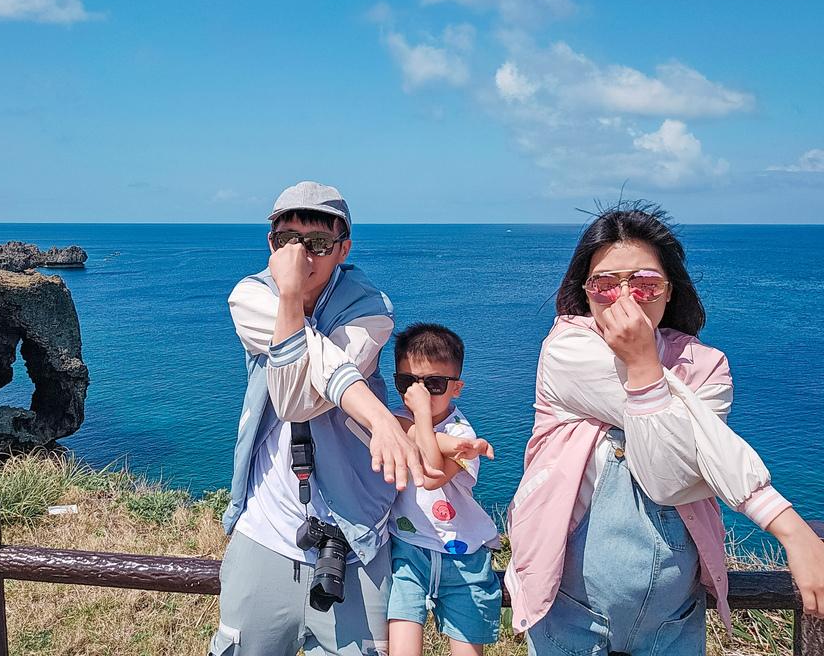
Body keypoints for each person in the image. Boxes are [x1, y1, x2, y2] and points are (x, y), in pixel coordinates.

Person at [506, 203, 824, 656]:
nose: (624, 298)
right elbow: (672, 477)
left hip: (673, 616)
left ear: (669, 291)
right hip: (572, 610)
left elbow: (668, 474)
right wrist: (789, 527)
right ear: (585, 292)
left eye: (645, 283)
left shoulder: (706, 365)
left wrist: (643, 368)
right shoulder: (567, 349)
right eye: (604, 284)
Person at [209, 181, 427, 656]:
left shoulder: (371, 310)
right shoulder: (250, 296)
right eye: (288, 240)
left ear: (343, 249)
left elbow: (310, 388)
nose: (301, 256)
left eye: (319, 244)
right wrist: (378, 416)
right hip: (265, 531)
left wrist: (288, 305)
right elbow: (293, 401)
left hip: (357, 535)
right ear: (271, 244)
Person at [386, 323, 503, 656]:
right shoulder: (396, 420)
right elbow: (421, 443)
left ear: (457, 388)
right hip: (408, 549)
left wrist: (430, 424)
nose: (420, 394)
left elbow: (431, 474)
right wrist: (433, 425)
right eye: (408, 383)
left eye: (434, 384)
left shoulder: (463, 432)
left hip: (465, 556)